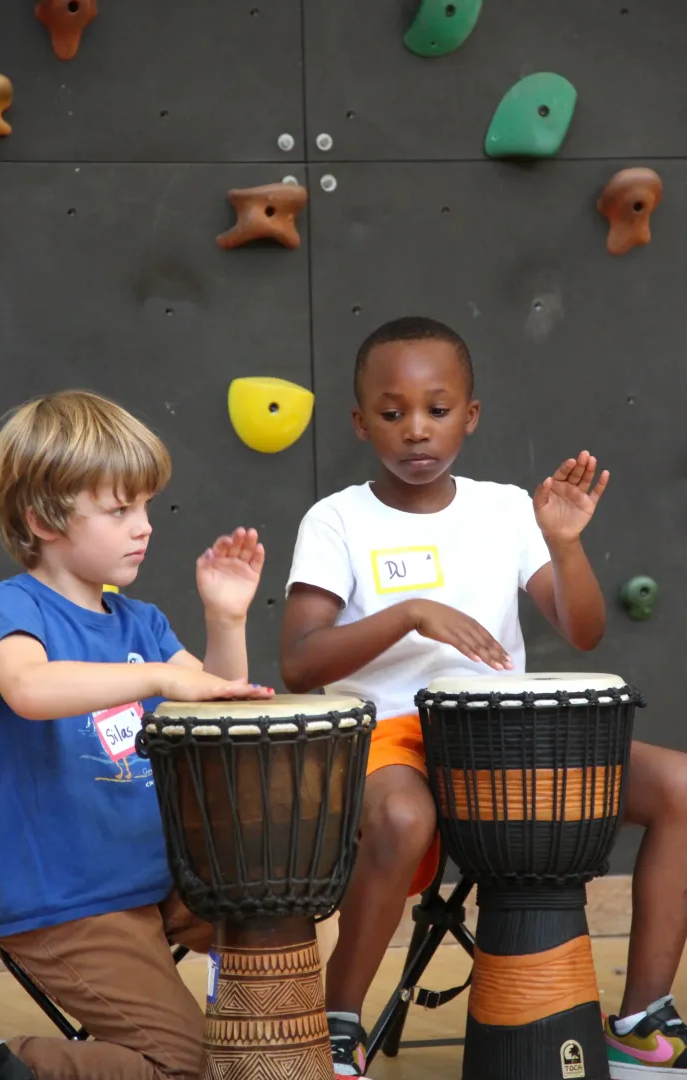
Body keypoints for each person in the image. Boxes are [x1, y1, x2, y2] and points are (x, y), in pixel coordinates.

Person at [281, 316, 687, 1080]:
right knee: (404, 814)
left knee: (681, 787)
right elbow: (300, 663)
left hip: (505, 743)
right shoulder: (336, 519)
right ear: (359, 421)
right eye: (392, 412)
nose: (415, 430)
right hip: (388, 740)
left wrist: (564, 546)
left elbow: (585, 631)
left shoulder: (506, 510)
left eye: (437, 409)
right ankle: (338, 1023)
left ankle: (639, 1021)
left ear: (470, 415)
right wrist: (407, 613)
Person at [0, 389, 277, 1080]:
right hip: (70, 905)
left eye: (143, 506)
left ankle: (283, 1058)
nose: (144, 526)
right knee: (183, 1068)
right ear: (39, 518)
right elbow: (28, 690)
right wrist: (156, 682)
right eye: (118, 510)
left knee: (279, 905)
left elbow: (214, 715)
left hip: (158, 883)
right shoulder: (12, 610)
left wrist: (225, 622)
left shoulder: (142, 624)